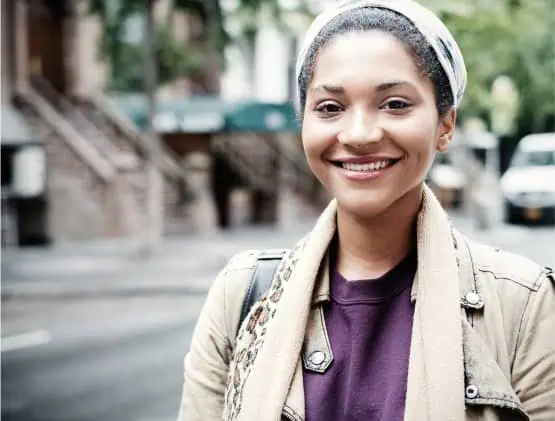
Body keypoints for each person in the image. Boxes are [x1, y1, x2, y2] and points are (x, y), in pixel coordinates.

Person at [177, 1, 555, 420]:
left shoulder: (523, 302)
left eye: (394, 104)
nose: (358, 134)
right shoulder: (243, 296)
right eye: (330, 108)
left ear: (445, 124)